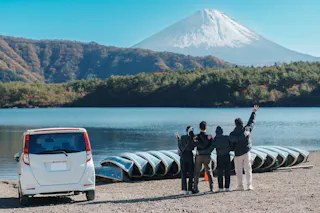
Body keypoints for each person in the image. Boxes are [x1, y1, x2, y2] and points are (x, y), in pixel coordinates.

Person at [230, 105, 259, 191]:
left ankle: (240, 186)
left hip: (238, 154)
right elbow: (251, 122)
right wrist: (253, 112)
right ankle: (249, 185)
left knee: (238, 170)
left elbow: (231, 142)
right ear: (242, 123)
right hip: (246, 152)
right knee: (248, 169)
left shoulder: (233, 133)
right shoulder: (247, 129)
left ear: (235, 124)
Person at [193, 121, 215, 194]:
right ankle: (212, 188)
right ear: (207, 127)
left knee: (196, 172)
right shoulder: (209, 136)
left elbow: (193, 143)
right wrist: (207, 151)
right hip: (207, 156)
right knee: (209, 171)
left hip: (198, 155)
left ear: (199, 128)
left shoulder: (196, 136)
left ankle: (195, 188)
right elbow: (212, 146)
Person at [176, 126, 196, 195]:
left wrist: (178, 139)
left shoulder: (182, 137)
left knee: (183, 174)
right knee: (191, 173)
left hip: (183, 156)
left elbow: (180, 145)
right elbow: (194, 146)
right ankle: (190, 189)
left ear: (186, 131)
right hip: (189, 156)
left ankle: (184, 189)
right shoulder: (192, 138)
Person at [213, 126, 232, 192]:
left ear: (216, 132)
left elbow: (212, 146)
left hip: (219, 157)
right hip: (227, 156)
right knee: (227, 172)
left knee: (220, 173)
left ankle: (220, 187)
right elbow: (231, 144)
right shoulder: (227, 137)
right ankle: (227, 187)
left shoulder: (215, 139)